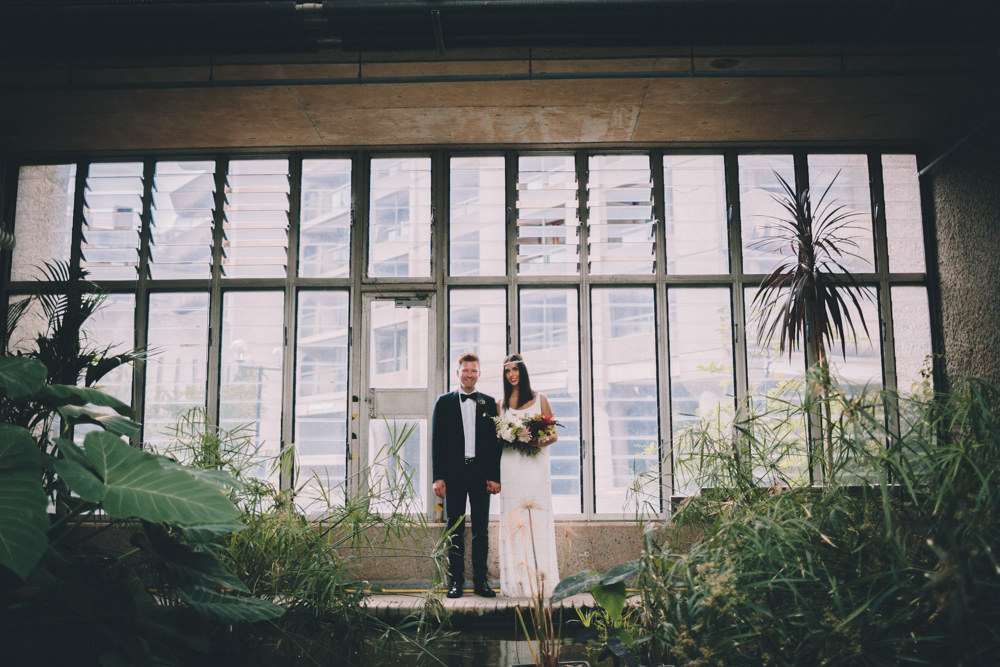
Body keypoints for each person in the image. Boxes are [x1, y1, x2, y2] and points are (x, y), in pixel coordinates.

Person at [431, 352, 501, 598]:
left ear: (479, 374)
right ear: (457, 372)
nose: (469, 375)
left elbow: (495, 444)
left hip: (481, 475)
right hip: (454, 474)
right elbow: (437, 442)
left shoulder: (489, 403)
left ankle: (481, 582)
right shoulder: (444, 402)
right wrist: (438, 477)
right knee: (454, 529)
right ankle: (455, 582)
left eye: (474, 371)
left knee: (481, 529)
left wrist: (495, 476)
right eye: (465, 370)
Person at [496, 353, 560, 598]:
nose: (512, 374)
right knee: (514, 521)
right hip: (511, 466)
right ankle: (516, 582)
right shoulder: (500, 405)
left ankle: (542, 581)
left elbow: (553, 434)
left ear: (523, 372)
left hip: (535, 466)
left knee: (537, 519)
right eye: (507, 371)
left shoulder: (540, 399)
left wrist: (537, 441)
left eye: (515, 370)